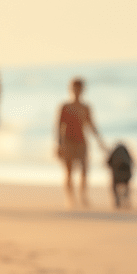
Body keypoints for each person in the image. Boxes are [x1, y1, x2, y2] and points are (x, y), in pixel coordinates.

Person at [57, 77, 105, 207]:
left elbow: (92, 125)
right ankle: (70, 198)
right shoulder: (65, 107)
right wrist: (59, 145)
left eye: (79, 89)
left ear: (83, 90)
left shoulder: (86, 107)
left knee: (84, 170)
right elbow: (59, 126)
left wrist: (100, 142)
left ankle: (83, 195)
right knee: (69, 172)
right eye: (74, 88)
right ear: (71, 89)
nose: (77, 91)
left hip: (82, 142)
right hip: (68, 142)